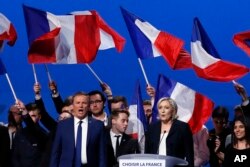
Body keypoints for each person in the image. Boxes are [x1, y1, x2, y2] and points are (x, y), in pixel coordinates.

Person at [50, 91, 106, 167]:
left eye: (84, 103)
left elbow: (102, 154)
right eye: (78, 103)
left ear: (89, 106)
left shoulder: (98, 125)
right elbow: (55, 153)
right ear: (72, 106)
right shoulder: (62, 125)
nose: (81, 106)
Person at [145, 97, 194, 167]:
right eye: (160, 108)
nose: (163, 111)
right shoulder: (152, 128)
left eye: (166, 108)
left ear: (173, 111)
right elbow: (147, 153)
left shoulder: (182, 127)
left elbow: (189, 155)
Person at [12, 101, 48, 167]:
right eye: (29, 116)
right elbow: (15, 156)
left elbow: (45, 158)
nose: (31, 118)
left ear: (39, 117)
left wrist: (25, 113)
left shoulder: (43, 134)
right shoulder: (19, 133)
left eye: (33, 116)